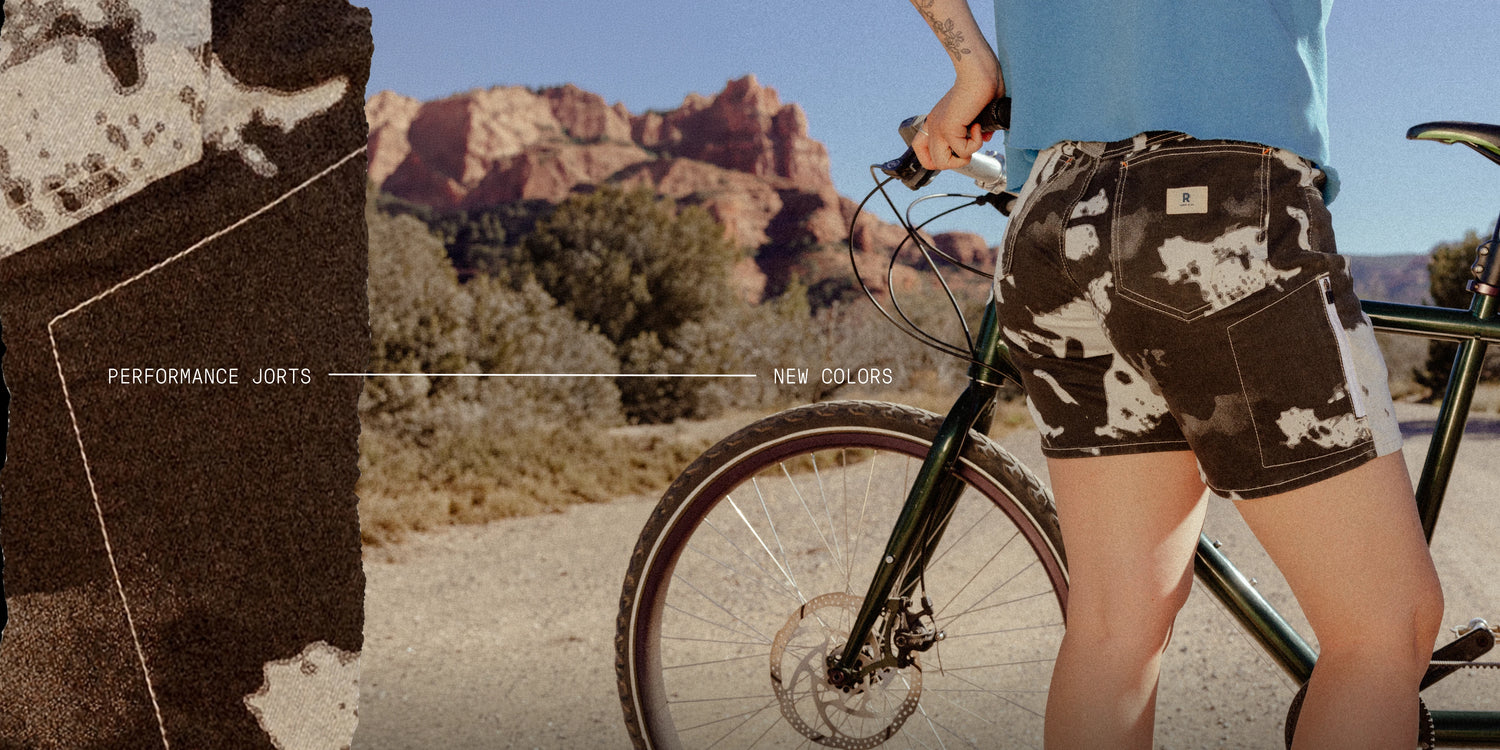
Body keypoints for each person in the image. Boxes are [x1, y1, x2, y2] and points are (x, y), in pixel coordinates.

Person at [906, 1, 1445, 748]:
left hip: (1053, 214)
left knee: (1114, 629)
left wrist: (971, 64)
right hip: (1218, 206)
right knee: (1383, 627)